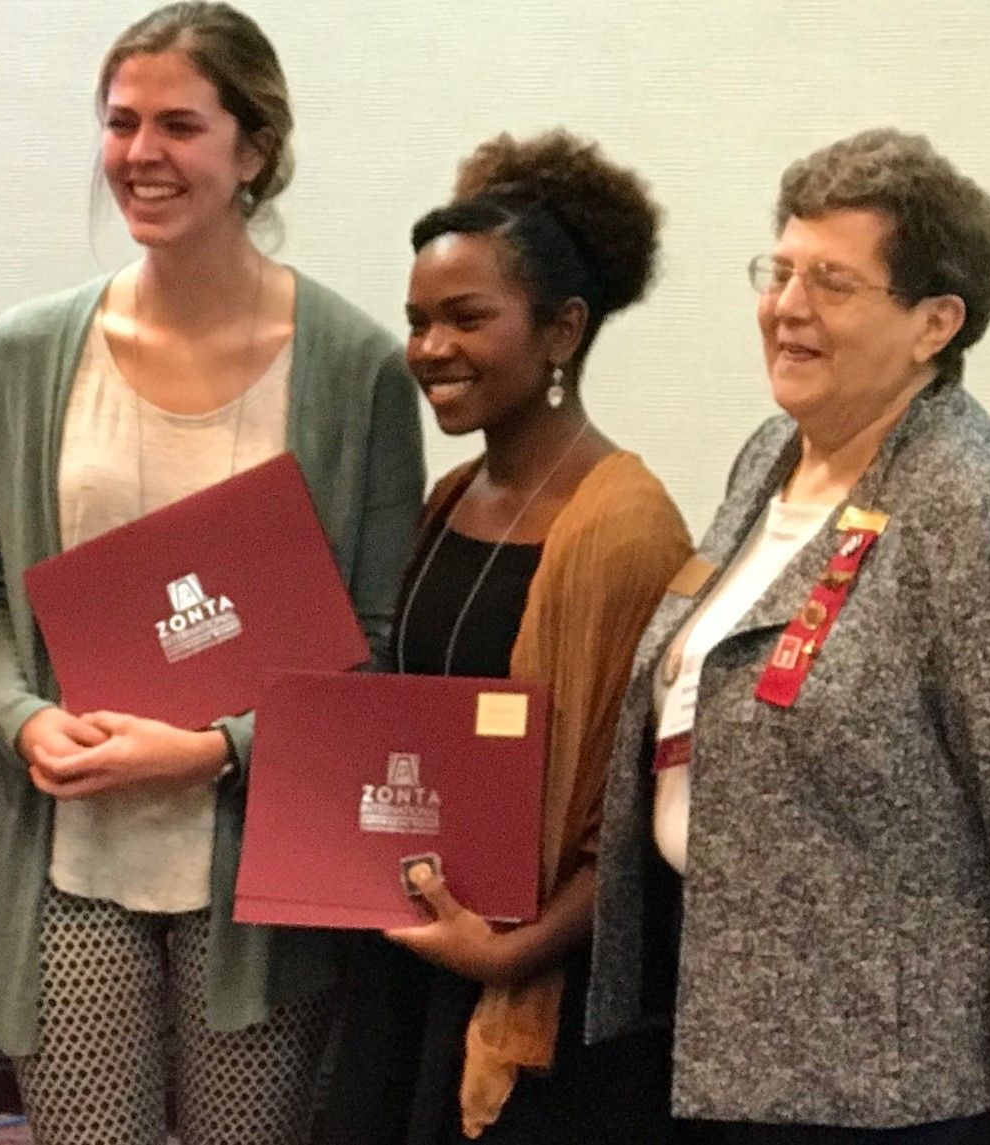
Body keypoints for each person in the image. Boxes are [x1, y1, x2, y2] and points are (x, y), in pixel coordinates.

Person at [0, 4, 424, 1143]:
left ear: (252, 150)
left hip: (258, 872)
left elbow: (376, 632)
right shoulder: (29, 353)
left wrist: (216, 749)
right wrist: (22, 717)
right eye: (121, 122)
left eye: (179, 123)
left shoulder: (353, 364)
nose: (140, 154)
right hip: (69, 853)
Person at [588, 128, 990, 1144]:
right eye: (778, 270)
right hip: (719, 1036)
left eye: (831, 282)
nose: (785, 307)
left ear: (934, 321)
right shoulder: (770, 457)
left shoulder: (976, 508)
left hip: (885, 1090)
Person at [315, 130, 692, 1144]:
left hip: (533, 999)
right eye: (417, 321)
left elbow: (630, 817)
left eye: (465, 318)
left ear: (562, 329)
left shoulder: (623, 530)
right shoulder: (449, 496)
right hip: (417, 960)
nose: (430, 347)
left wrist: (509, 955)